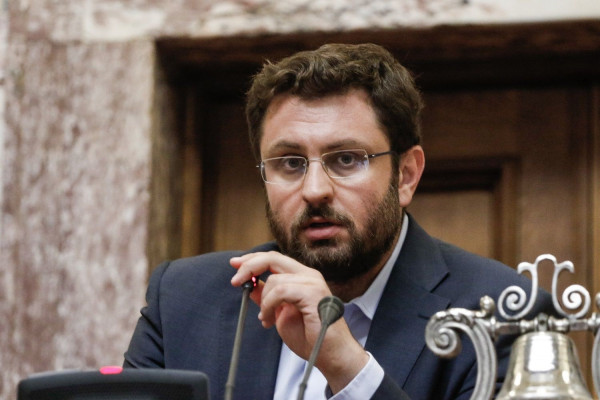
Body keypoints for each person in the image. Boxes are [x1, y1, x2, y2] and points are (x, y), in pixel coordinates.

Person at [123, 43, 552, 399]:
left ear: (405, 175)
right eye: (290, 163)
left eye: (346, 159)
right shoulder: (183, 300)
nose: (314, 190)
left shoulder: (504, 315)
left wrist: (349, 368)